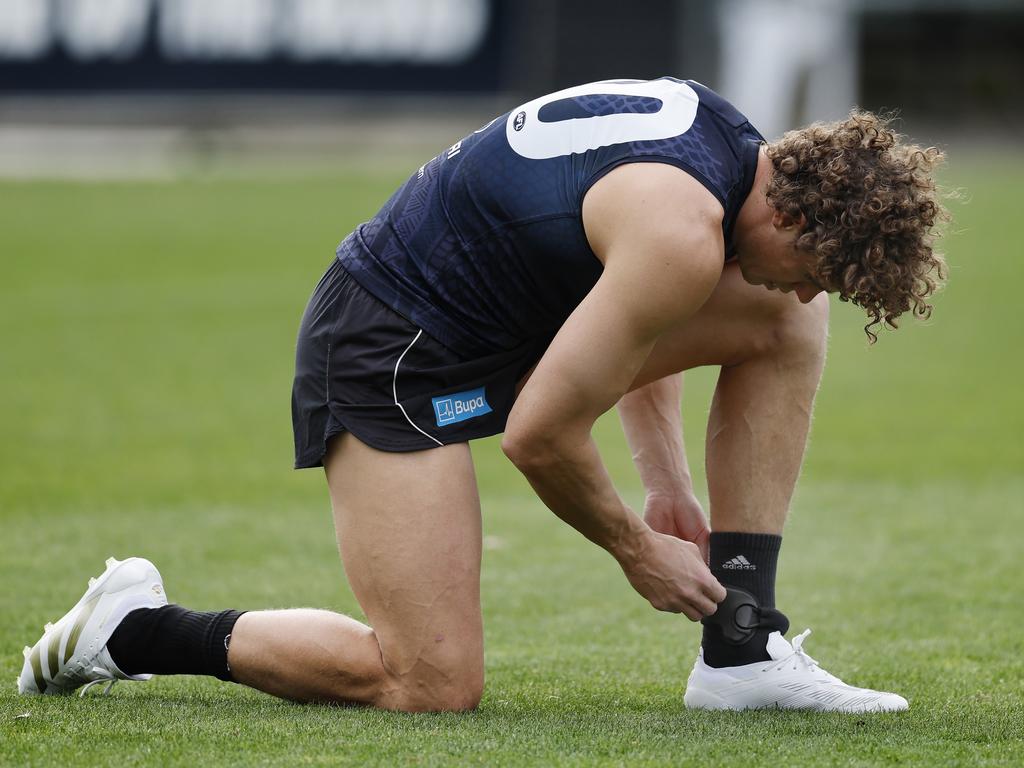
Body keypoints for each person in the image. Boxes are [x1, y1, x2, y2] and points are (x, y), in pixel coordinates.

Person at [18, 77, 946, 711]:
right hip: (393, 351)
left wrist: (667, 482)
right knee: (427, 684)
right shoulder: (683, 230)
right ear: (788, 210)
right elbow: (541, 435)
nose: (813, 286)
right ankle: (134, 628)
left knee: (781, 326)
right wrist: (636, 546)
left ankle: (742, 647)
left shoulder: (724, 151)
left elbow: (625, 319)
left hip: (501, 331)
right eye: (821, 266)